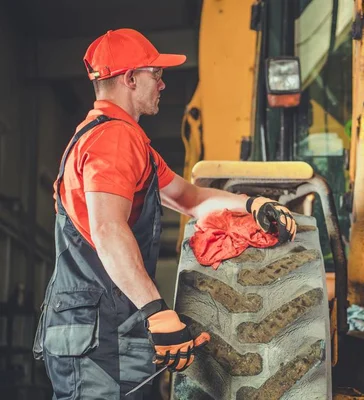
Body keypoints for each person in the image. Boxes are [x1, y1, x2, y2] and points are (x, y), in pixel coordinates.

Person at [32, 28, 297, 399]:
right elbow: (107, 229)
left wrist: (252, 204)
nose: (162, 84)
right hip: (101, 333)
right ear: (129, 78)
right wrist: (156, 311)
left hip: (100, 326)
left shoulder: (123, 139)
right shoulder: (114, 140)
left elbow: (189, 198)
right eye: (154, 74)